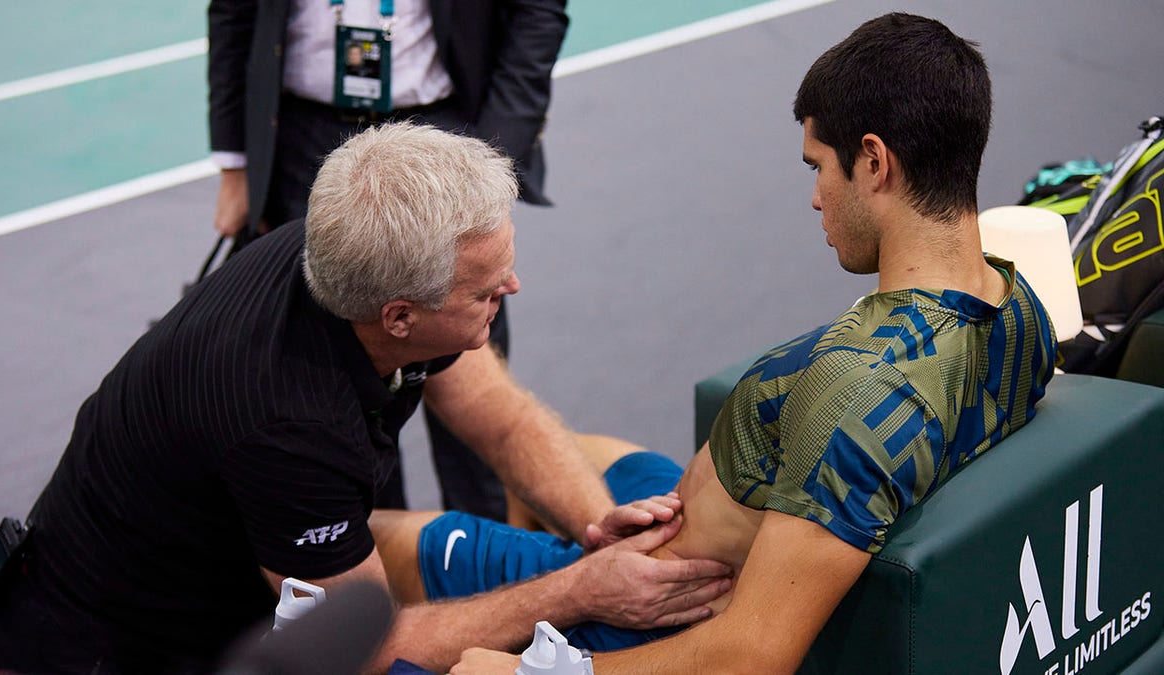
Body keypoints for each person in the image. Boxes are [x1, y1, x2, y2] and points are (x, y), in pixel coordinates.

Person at [390, 13, 1057, 673]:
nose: (817, 198)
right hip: (713, 517)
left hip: (649, 613)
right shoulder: (1018, 307)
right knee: (586, 454)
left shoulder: (862, 389)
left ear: (875, 161)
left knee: (367, 570)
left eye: (819, 166)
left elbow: (749, 654)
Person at [0, 123, 732, 675]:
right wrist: (581, 589)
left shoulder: (357, 250)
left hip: (212, 562)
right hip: (91, 647)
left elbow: (496, 416)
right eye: (486, 286)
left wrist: (594, 526)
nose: (513, 286)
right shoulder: (286, 423)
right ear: (400, 313)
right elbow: (364, 646)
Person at [207, 0, 569, 521]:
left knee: (466, 359)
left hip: (445, 139)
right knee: (335, 382)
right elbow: (232, 13)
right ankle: (371, 562)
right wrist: (235, 165)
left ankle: (486, 561)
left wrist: (492, 156)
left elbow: (537, 12)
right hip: (303, 141)